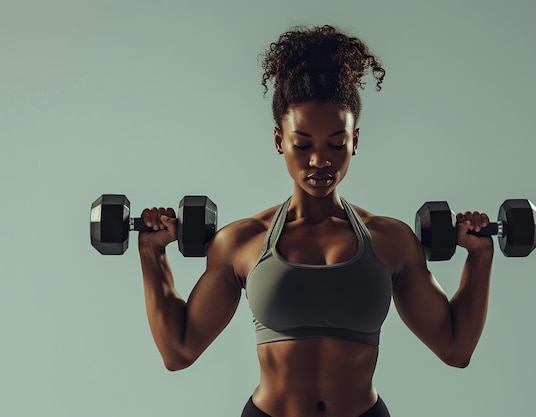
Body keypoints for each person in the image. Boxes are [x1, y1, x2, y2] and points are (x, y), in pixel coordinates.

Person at [138, 25, 494, 417]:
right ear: (280, 142)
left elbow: (455, 348)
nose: (320, 161)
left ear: (355, 141)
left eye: (337, 144)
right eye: (302, 144)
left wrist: (479, 255)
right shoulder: (241, 243)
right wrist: (151, 255)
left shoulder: (392, 241)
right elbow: (179, 350)